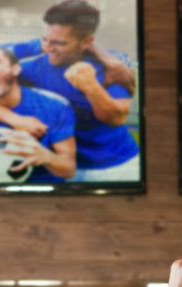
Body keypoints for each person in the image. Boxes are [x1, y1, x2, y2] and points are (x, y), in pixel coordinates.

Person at [16, 0, 141, 182]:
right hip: (68, 168)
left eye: (59, 43)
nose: (48, 48)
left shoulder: (113, 64)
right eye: (45, 39)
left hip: (120, 164)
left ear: (87, 42)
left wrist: (90, 86)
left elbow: (117, 118)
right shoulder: (30, 69)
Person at [0, 47, 77, 182]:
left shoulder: (55, 106)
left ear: (16, 69)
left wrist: (45, 156)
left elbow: (69, 169)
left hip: (45, 194)